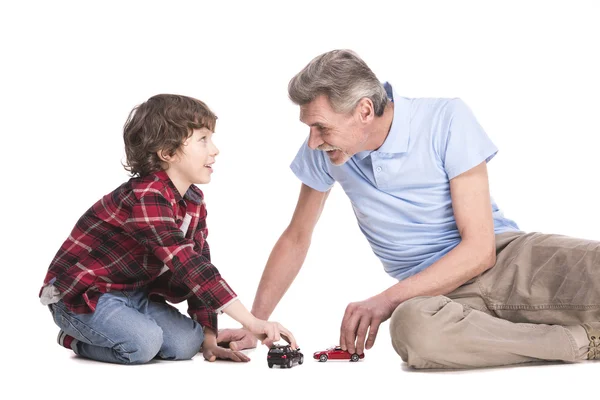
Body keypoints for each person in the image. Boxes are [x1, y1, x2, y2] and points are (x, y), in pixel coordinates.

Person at [217, 49, 600, 369]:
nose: (313, 141)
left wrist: (385, 299)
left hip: (508, 258)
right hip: (435, 298)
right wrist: (256, 322)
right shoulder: (328, 153)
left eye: (321, 127)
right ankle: (578, 341)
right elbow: (296, 237)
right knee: (414, 330)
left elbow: (480, 249)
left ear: (364, 111)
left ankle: (529, 330)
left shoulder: (446, 118)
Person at [39, 94, 296, 365]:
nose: (215, 150)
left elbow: (199, 266)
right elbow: (184, 261)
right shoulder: (146, 195)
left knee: (188, 344)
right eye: (203, 139)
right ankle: (76, 337)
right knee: (142, 345)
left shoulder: (193, 200)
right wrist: (252, 322)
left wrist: (209, 338)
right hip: (85, 294)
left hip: (134, 293)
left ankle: (125, 327)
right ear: (168, 153)